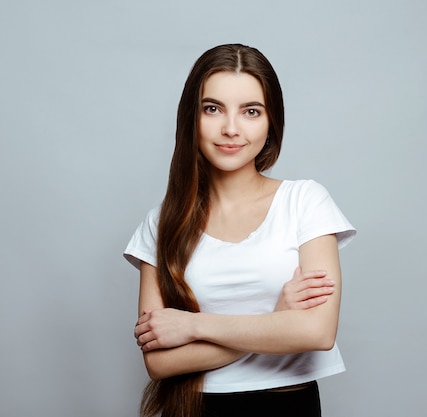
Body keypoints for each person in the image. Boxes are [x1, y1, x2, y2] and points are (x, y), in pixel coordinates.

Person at [124, 43, 355, 417]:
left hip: (288, 406)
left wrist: (193, 327)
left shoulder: (305, 201)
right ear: (191, 119)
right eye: (212, 109)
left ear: (271, 122)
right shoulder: (161, 223)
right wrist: (275, 321)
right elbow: (160, 364)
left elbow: (317, 333)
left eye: (251, 111)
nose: (231, 129)